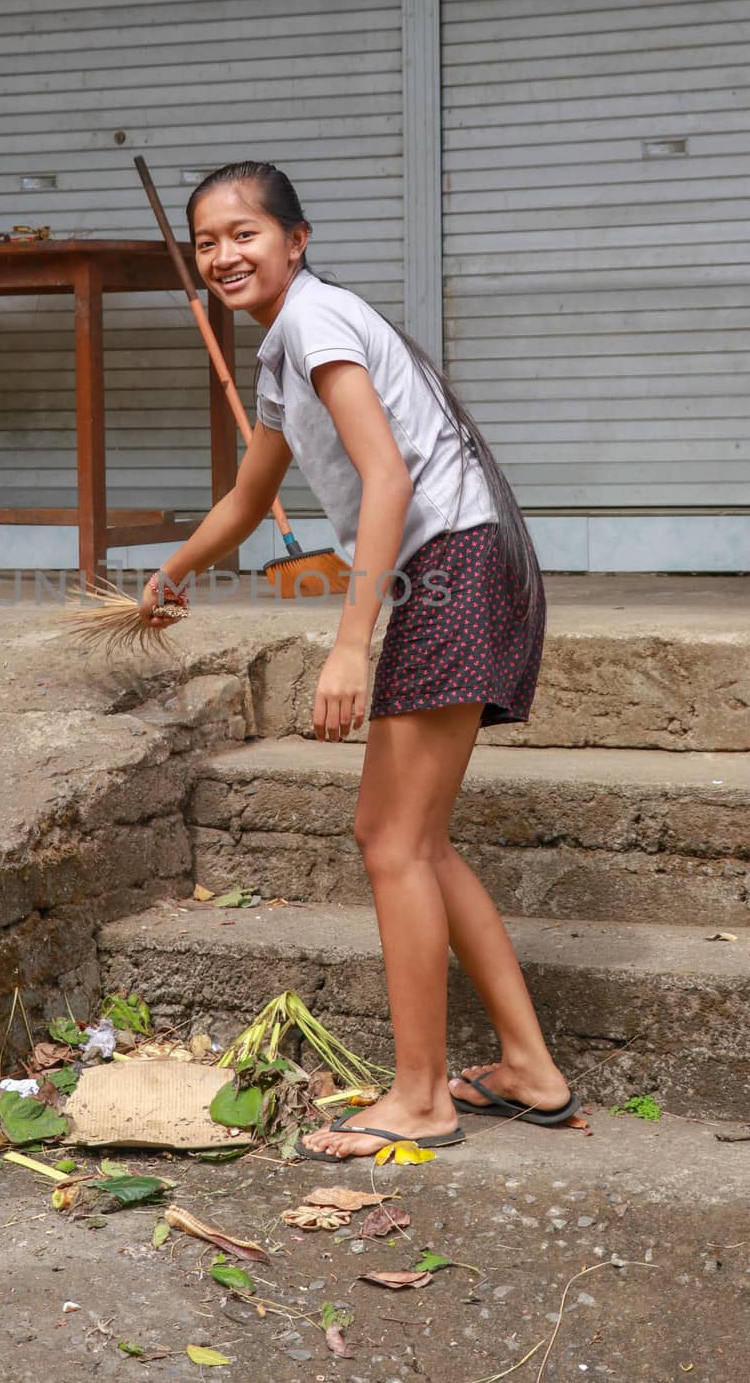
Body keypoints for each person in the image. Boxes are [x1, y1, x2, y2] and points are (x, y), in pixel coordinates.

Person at [141, 161, 578, 1160]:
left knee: (391, 841)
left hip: (450, 566)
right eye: (206, 242)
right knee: (402, 836)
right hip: (462, 566)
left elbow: (384, 477)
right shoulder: (283, 353)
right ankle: (527, 1068)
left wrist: (349, 644)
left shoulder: (315, 321)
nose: (222, 256)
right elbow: (248, 502)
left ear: (295, 238)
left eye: (243, 233)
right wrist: (169, 571)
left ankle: (421, 1097)